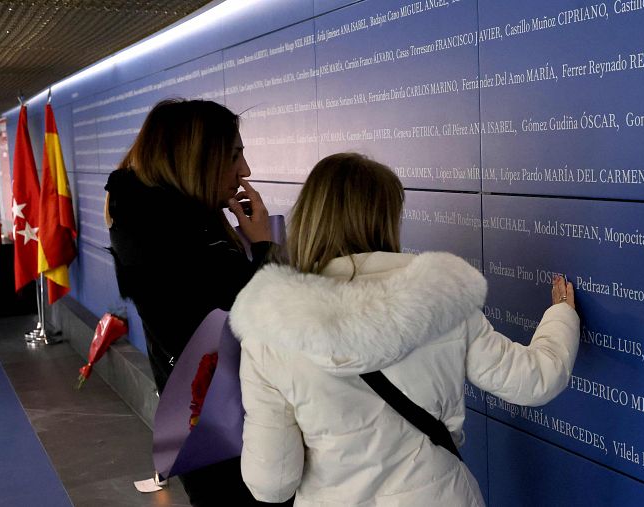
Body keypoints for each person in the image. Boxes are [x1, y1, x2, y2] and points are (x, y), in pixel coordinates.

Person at [229, 152, 580, 506]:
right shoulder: (440, 301)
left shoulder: (269, 330)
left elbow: (272, 484)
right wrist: (561, 315)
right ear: (386, 218)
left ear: (309, 217)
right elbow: (535, 380)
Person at [104, 99, 290, 506]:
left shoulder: (174, 224)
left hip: (215, 426)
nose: (246, 171)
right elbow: (246, 320)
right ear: (200, 157)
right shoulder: (164, 238)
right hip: (221, 436)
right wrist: (261, 248)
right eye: (235, 155)